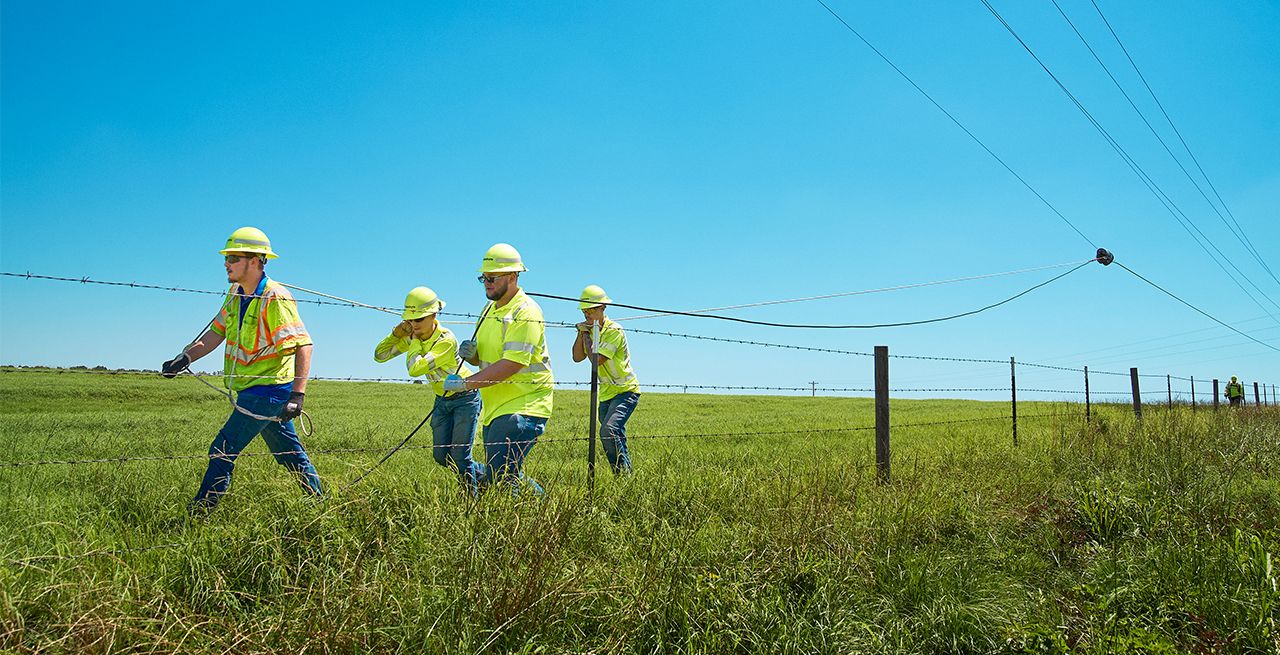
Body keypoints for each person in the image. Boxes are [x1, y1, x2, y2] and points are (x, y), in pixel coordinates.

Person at [161, 227, 322, 513]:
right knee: (290, 455)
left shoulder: (275, 297)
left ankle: (199, 513)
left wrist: (298, 395)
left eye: (234, 257)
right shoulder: (235, 293)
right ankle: (320, 502)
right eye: (227, 257)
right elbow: (215, 333)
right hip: (253, 388)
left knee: (223, 448)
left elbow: (304, 345)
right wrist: (185, 358)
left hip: (269, 390)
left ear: (256, 261)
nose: (227, 263)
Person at [444, 243, 553, 495]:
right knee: (502, 473)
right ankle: (544, 506)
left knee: (503, 478)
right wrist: (472, 355)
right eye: (483, 278)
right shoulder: (488, 310)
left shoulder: (526, 311)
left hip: (525, 405)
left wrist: (465, 383)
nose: (487, 283)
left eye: (492, 277)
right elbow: (488, 358)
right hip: (495, 407)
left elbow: (512, 363)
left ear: (513, 277)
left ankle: (528, 523)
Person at [374, 286, 484, 494]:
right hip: (442, 400)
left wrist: (413, 343)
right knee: (441, 457)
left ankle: (471, 500)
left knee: (460, 455)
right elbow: (380, 355)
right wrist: (395, 334)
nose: (413, 325)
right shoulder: (412, 336)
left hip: (465, 398)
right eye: (410, 320)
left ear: (433, 315)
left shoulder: (445, 340)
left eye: (419, 319)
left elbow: (416, 369)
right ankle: (485, 476)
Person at [571, 285, 639, 475]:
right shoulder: (591, 330)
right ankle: (627, 476)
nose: (587, 313)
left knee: (608, 432)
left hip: (625, 391)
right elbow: (577, 357)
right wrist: (581, 332)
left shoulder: (614, 330)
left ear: (602, 308)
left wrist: (586, 334)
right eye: (585, 310)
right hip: (606, 394)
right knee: (615, 434)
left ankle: (621, 475)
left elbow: (596, 359)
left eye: (591, 309)